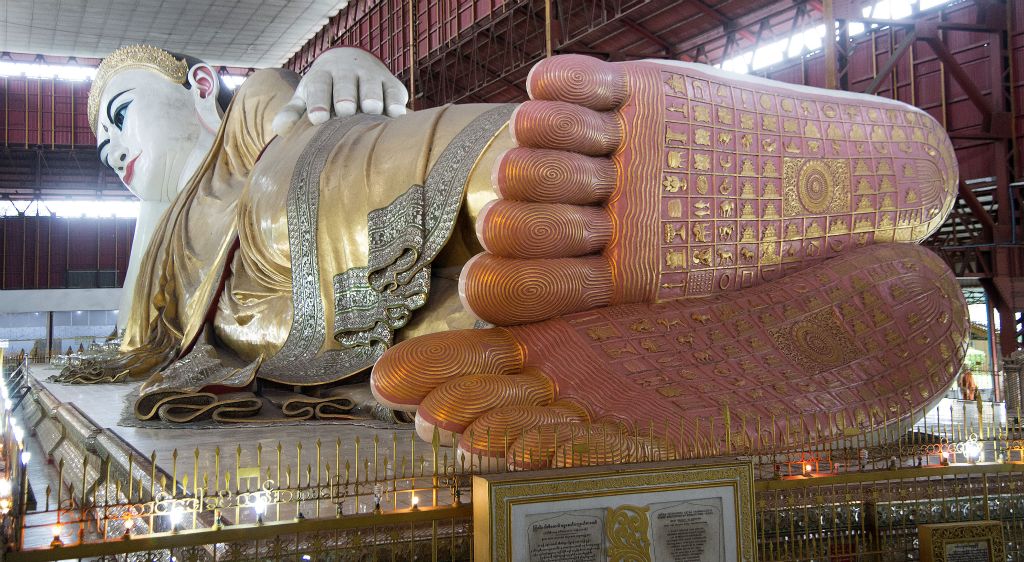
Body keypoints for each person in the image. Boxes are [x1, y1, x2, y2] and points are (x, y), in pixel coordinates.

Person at [70, 46, 966, 463]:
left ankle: (583, 179)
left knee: (349, 189)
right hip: (313, 334)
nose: (115, 156)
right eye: (103, 159)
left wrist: (337, 60)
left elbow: (283, 100)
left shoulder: (241, 120)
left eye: (118, 119)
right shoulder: (165, 257)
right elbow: (140, 337)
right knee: (469, 333)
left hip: (308, 197)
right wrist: (151, 225)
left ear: (194, 86)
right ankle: (628, 313)